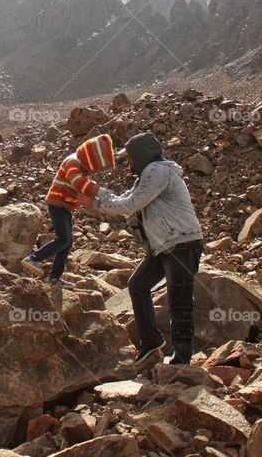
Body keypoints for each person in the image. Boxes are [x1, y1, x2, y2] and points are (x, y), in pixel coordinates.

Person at [79, 132, 204, 371]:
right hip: (164, 246)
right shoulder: (147, 176)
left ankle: (182, 360)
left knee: (180, 301)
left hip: (181, 243)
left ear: (141, 155)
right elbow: (128, 197)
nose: (129, 162)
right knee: (137, 285)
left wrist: (94, 203)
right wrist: (96, 191)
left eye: (131, 158)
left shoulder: (157, 172)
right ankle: (152, 342)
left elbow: (130, 205)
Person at [22, 133, 115, 289]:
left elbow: (82, 185)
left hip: (64, 207)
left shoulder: (81, 167)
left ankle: (55, 277)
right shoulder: (73, 162)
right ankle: (33, 258)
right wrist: (100, 191)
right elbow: (78, 182)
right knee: (63, 239)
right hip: (57, 204)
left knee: (67, 243)